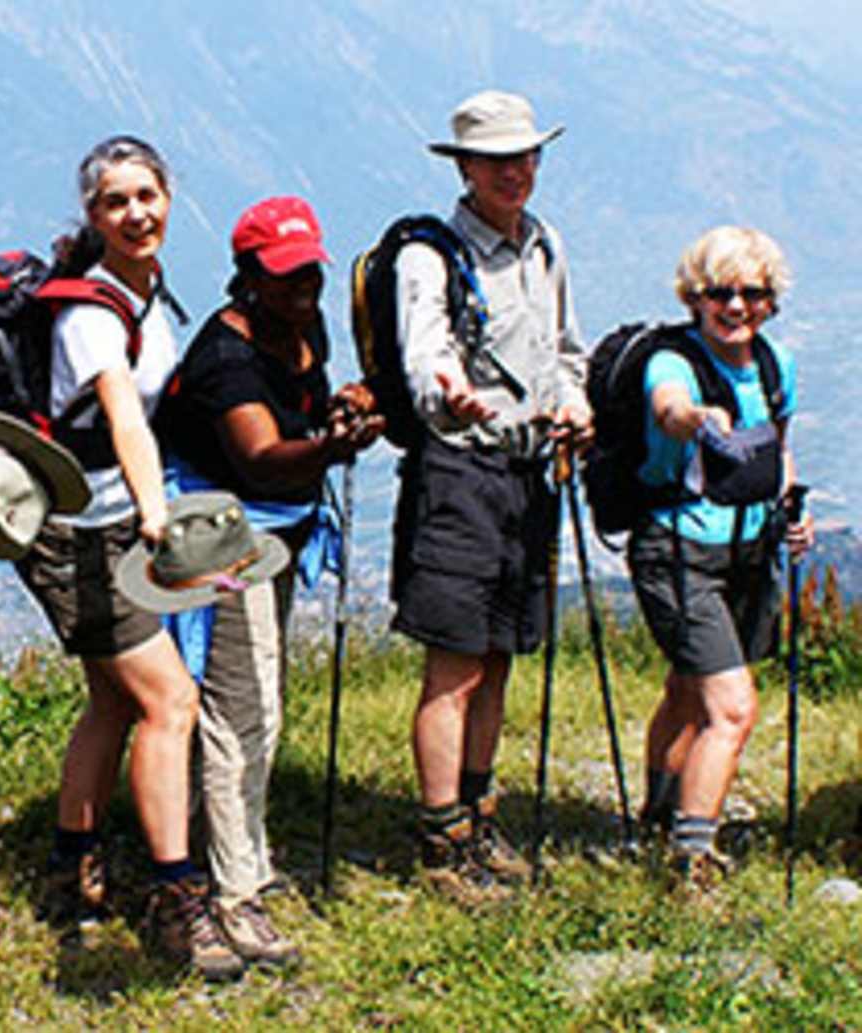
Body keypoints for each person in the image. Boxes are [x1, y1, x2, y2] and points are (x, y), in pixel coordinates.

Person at [13, 134, 240, 981]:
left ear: (169, 197)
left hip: (102, 520)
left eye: (147, 195)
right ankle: (177, 897)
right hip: (83, 532)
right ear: (93, 215)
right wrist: (157, 516)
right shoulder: (92, 310)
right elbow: (121, 415)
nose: (136, 213)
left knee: (112, 702)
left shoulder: (145, 292)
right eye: (116, 202)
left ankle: (72, 864)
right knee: (169, 701)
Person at [157, 196, 381, 964]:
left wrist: (343, 405)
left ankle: (227, 856)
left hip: (272, 528)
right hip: (225, 529)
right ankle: (235, 890)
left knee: (246, 697)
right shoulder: (225, 357)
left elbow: (299, 413)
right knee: (244, 708)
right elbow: (258, 457)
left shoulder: (299, 327)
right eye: (283, 275)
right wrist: (332, 448)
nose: (303, 287)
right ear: (246, 275)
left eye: (308, 272)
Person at [391, 90, 591, 905]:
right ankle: (443, 838)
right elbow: (424, 356)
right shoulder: (430, 255)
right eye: (499, 159)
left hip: (528, 467)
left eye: (527, 155)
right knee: (455, 663)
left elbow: (567, 349)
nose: (518, 171)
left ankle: (478, 811)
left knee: (500, 652)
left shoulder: (544, 246)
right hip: (462, 472)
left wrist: (573, 402)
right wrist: (449, 398)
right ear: (465, 167)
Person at [628, 226, 812, 896]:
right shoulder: (674, 362)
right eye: (720, 293)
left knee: (687, 689)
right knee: (731, 709)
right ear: (695, 297)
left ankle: (658, 814)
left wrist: (792, 504)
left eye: (752, 293)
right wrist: (697, 417)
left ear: (771, 299)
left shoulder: (773, 363)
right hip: (677, 550)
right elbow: (668, 409)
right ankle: (691, 861)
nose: (736, 306)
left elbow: (777, 446)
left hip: (745, 549)